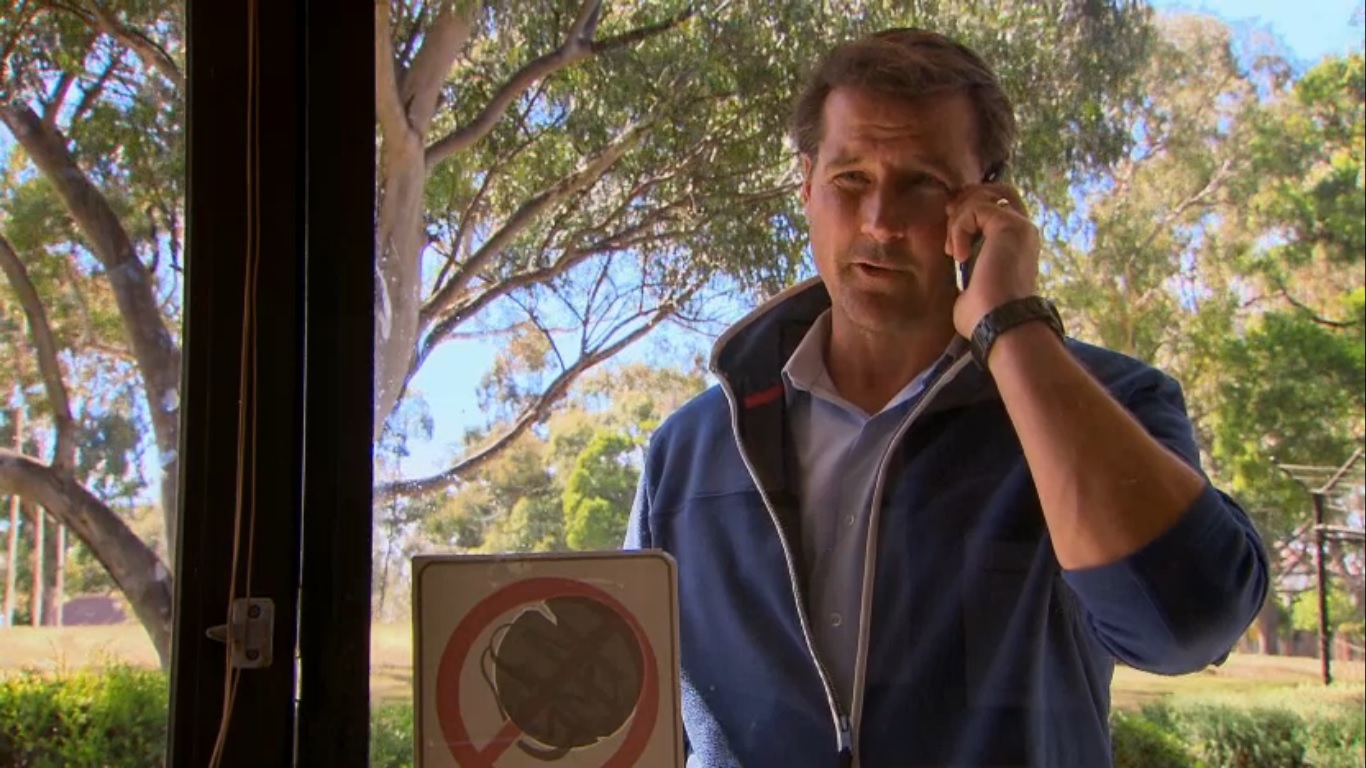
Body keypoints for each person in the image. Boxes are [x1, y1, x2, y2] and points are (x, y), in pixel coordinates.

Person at [623, 27, 1268, 768]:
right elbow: (635, 717)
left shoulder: (1112, 403)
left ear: (989, 202)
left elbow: (1186, 625)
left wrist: (1010, 326)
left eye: (923, 183)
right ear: (806, 184)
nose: (880, 222)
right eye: (850, 179)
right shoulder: (690, 452)